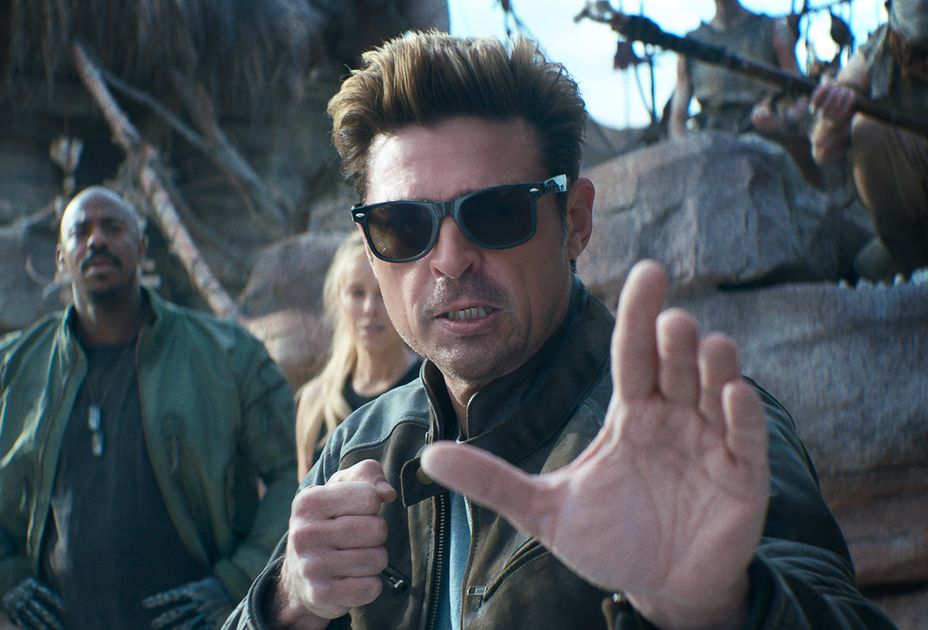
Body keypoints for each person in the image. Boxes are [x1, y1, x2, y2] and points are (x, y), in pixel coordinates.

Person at [225, 31, 895, 629]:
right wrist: (285, 604)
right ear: (372, 250)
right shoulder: (358, 445)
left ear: (574, 222)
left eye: (497, 212)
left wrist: (717, 609)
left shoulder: (695, 431)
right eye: (403, 225)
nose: (451, 259)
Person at [0, 186, 297, 629]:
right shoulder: (14, 366)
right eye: (81, 232)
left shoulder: (228, 356)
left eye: (113, 227)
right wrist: (2, 576)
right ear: (61, 257)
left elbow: (291, 471)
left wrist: (236, 580)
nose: (97, 240)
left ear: (142, 248)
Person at [811, 0, 928, 278]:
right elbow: (822, 150)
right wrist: (832, 116)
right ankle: (912, 269)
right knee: (868, 129)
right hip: (915, 229)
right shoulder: (879, 51)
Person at [295, 233, 420, 478]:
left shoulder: (431, 390)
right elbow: (305, 496)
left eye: (382, 292)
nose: (369, 309)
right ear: (338, 299)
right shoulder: (315, 401)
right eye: (357, 293)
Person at [670, 0, 802, 137]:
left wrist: (779, 122)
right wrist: (684, 144)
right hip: (710, 139)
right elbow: (677, 120)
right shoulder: (692, 44)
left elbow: (801, 99)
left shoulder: (774, 30)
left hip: (762, 138)